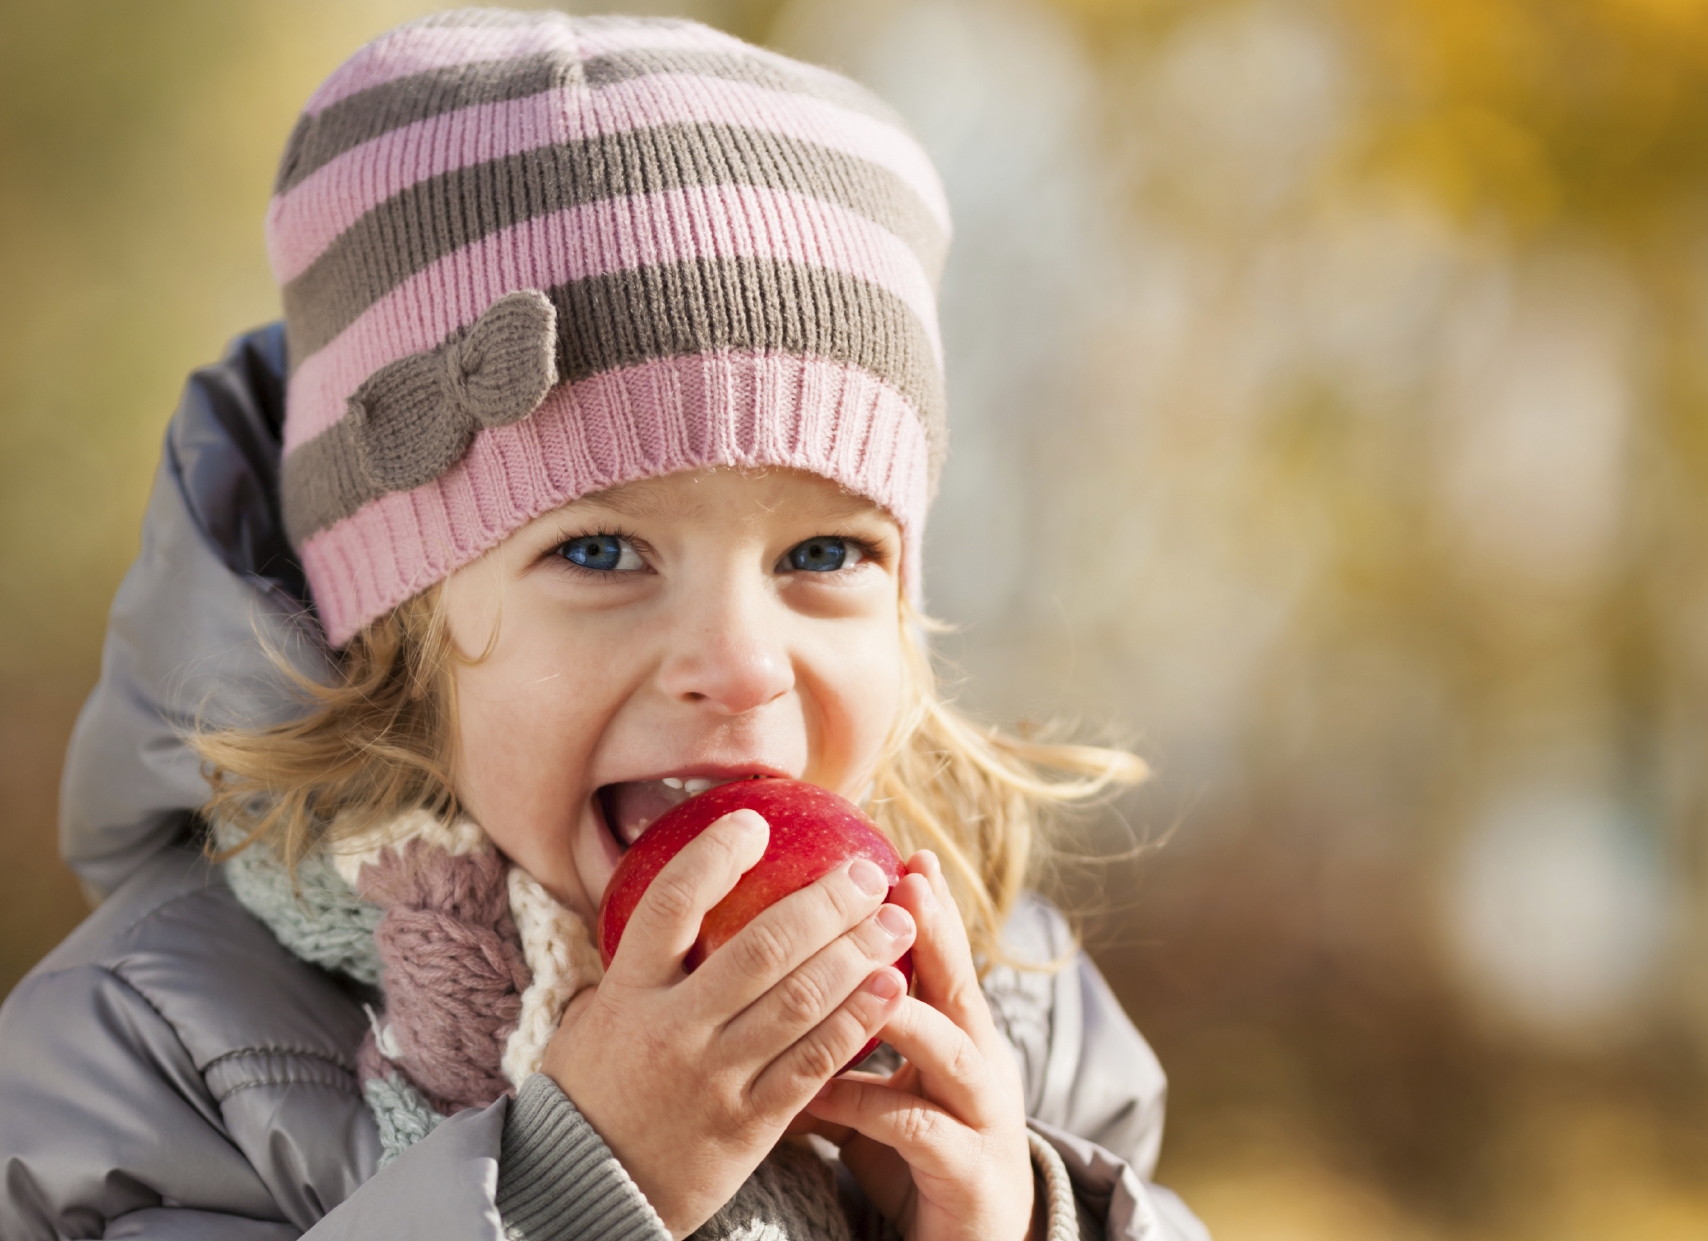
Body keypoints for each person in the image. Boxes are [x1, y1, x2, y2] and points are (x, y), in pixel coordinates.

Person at [0, 10, 1207, 1241]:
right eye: (599, 551)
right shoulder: (160, 1045)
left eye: (825, 553)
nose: (739, 668)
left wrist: (1017, 1220)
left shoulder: (1011, 1014)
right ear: (391, 627)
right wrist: (568, 1192)